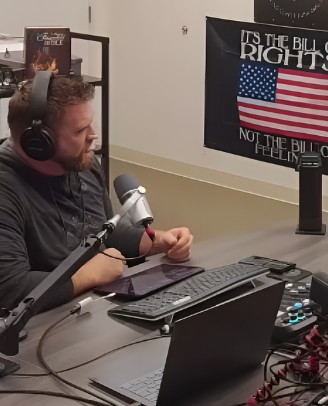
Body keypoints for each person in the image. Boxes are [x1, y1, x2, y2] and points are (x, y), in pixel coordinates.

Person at [0, 74, 193, 310]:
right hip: (36, 331)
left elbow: (101, 229)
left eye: (91, 125)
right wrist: (89, 275)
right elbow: (11, 290)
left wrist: (157, 241)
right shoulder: (6, 190)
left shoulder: (83, 164)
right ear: (39, 142)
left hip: (87, 312)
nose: (93, 136)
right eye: (80, 130)